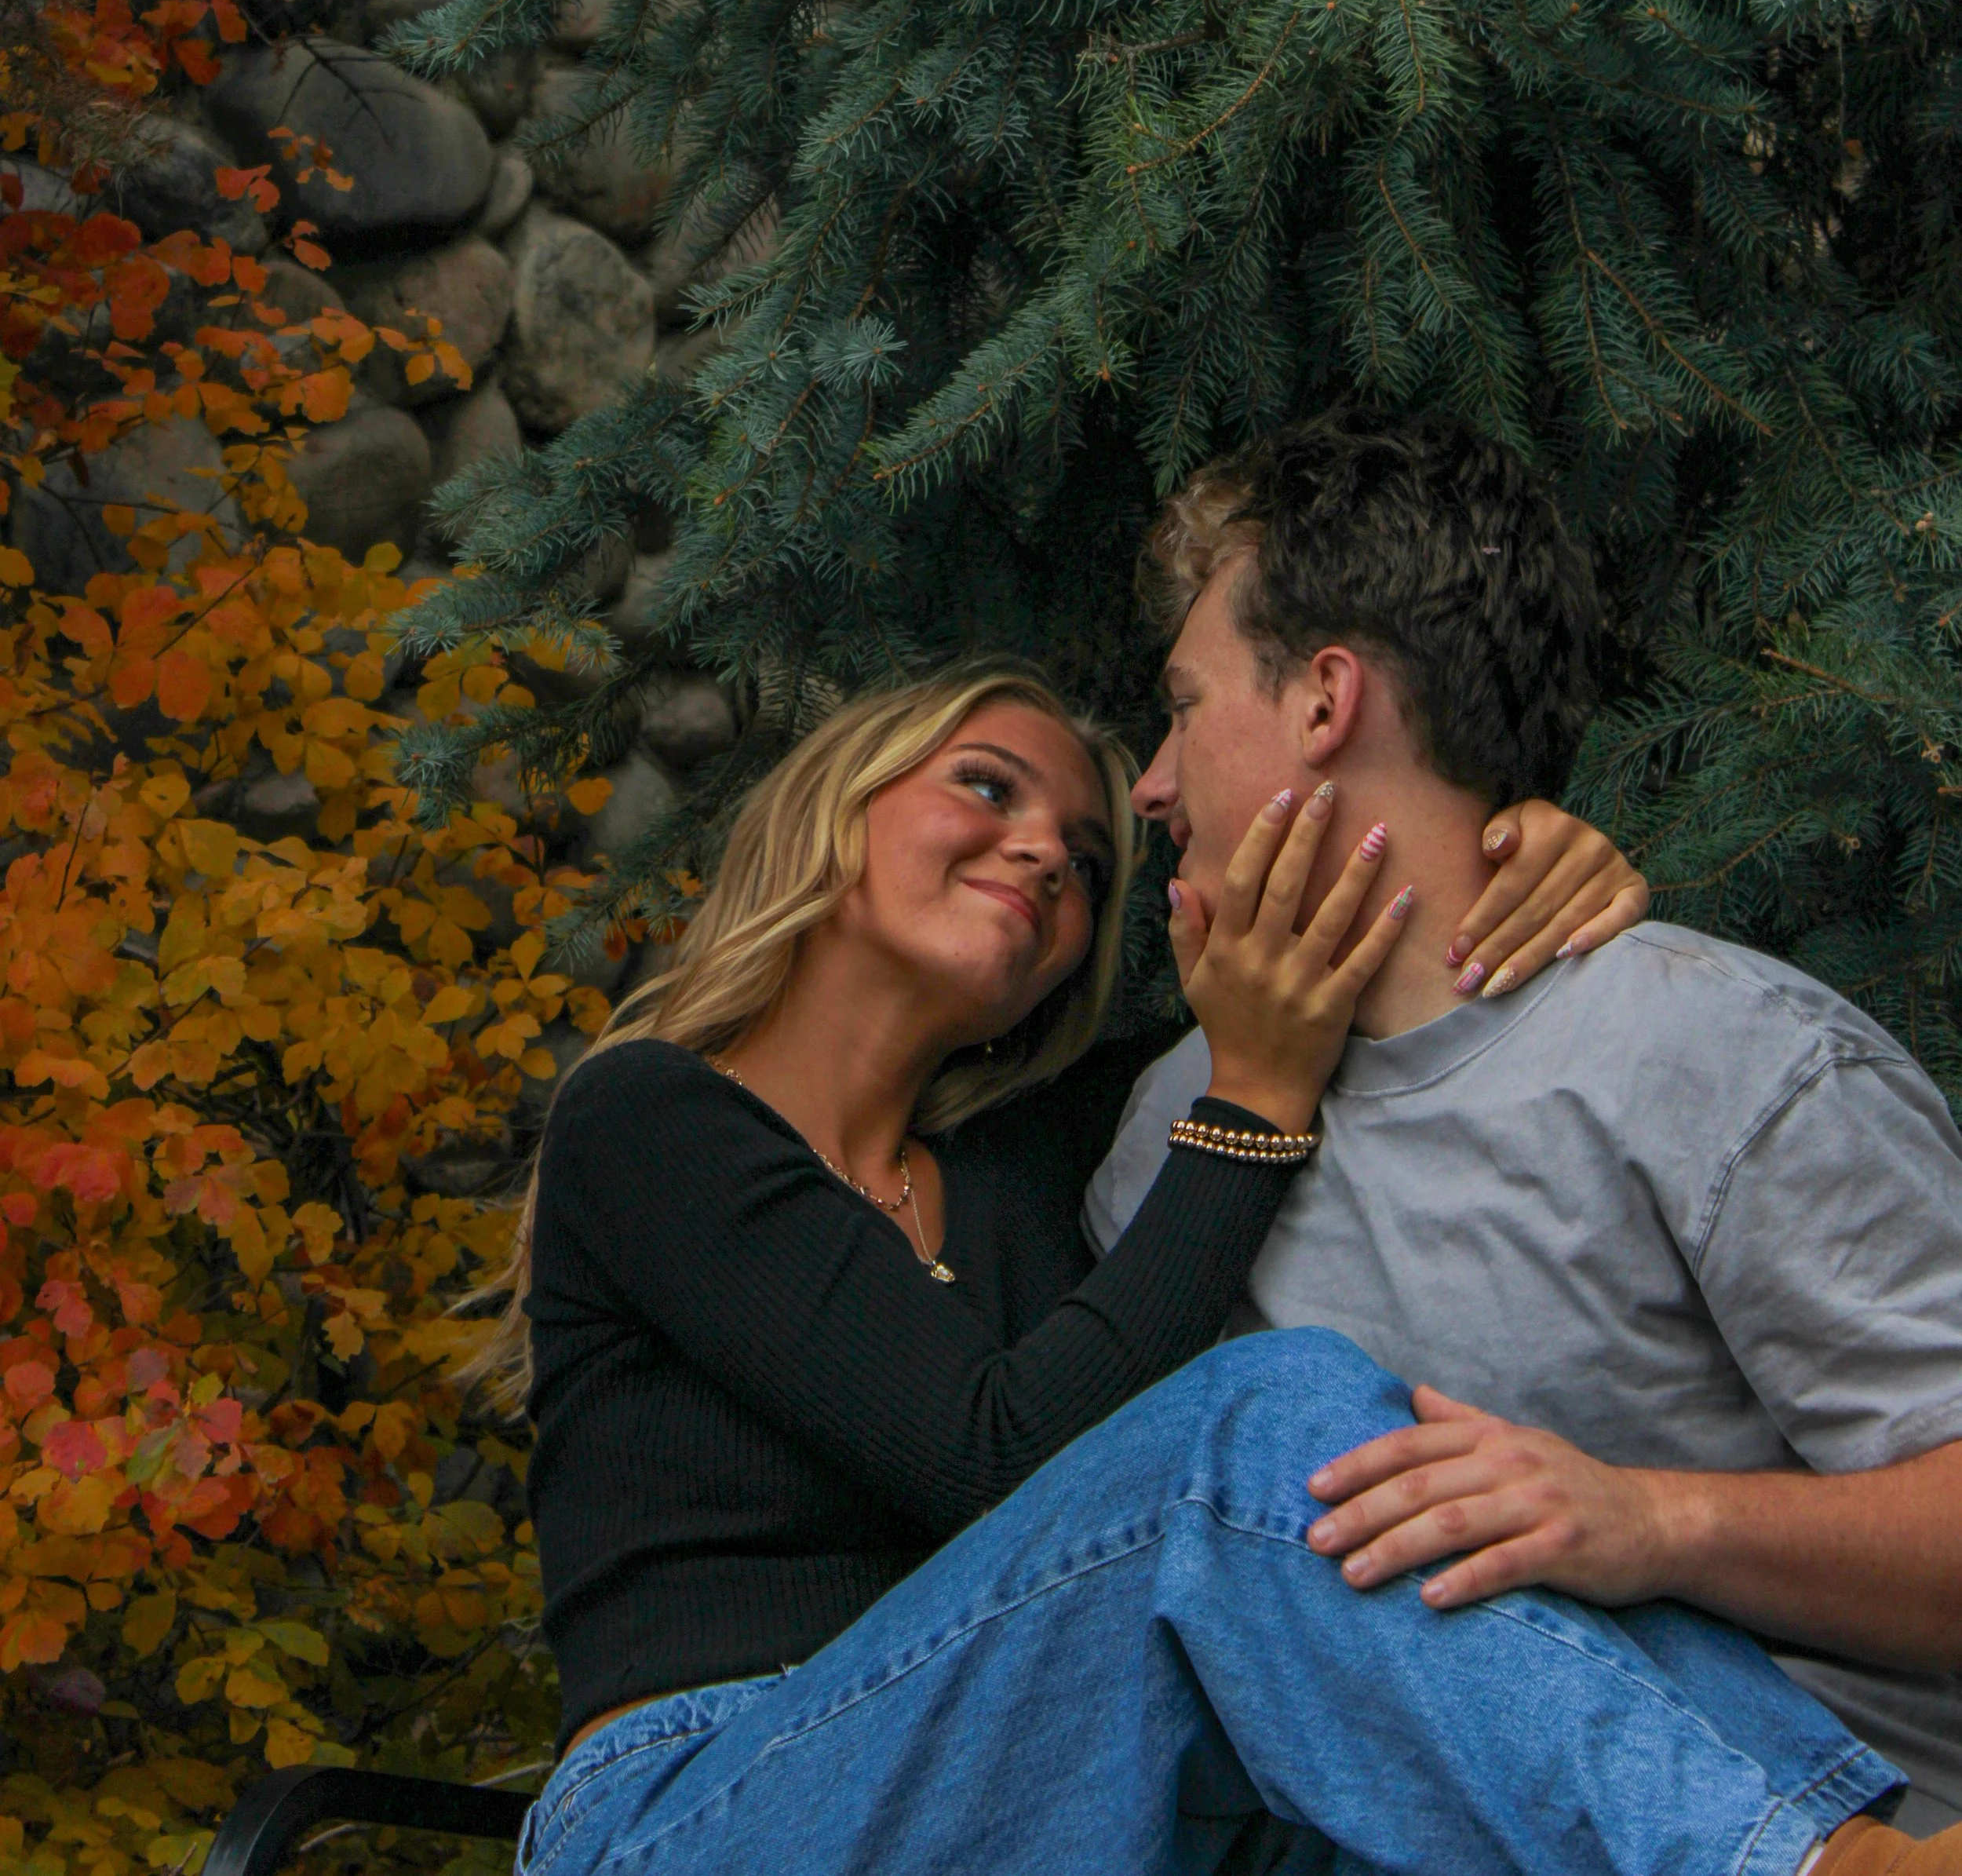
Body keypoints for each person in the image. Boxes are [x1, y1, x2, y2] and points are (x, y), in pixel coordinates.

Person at [487, 660, 1928, 1876]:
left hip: (1040, 1776)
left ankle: (1843, 1833)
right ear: (834, 806)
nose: (1050, 850)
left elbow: (1345, 987)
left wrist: (1520, 856)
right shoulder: (653, 1116)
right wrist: (1252, 1104)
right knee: (1266, 1435)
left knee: (1506, 1512)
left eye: (1091, 857)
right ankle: (1809, 1859)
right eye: (989, 788)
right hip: (699, 1806)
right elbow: (998, 1462)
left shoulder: (1052, 1151)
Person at [1088, 415, 1962, 1860]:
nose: (1151, 786)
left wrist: (1653, 1523)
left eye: (1183, 709)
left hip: (1854, 1800)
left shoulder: (1702, 1052)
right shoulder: (1173, 1144)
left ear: (1325, 701)